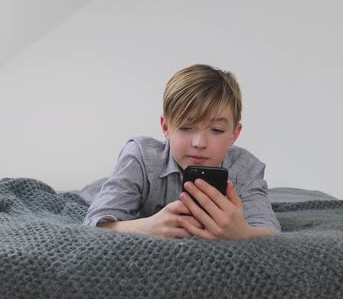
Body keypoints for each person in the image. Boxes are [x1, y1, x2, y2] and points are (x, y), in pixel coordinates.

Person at [83, 64, 281, 239]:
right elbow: (96, 223)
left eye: (217, 130)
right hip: (112, 187)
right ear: (166, 127)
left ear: (234, 134)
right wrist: (147, 226)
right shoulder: (140, 156)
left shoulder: (246, 168)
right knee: (92, 191)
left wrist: (243, 233)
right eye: (186, 127)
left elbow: (269, 230)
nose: (199, 143)